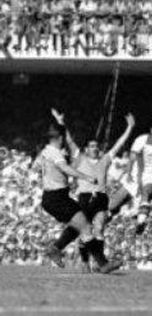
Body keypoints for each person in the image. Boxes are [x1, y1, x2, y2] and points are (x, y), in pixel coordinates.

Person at [35, 111, 120, 274]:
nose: (64, 143)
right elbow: (65, 167)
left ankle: (56, 249)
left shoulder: (46, 150)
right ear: (59, 139)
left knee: (82, 227)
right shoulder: (55, 152)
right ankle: (102, 264)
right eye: (63, 139)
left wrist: (61, 122)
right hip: (57, 198)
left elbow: (67, 142)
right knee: (86, 228)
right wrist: (85, 177)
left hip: (55, 197)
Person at [59, 110, 135, 272]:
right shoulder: (80, 158)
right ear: (86, 149)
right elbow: (69, 140)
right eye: (91, 146)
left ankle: (100, 264)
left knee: (99, 227)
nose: (95, 148)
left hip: (101, 197)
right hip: (85, 197)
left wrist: (130, 127)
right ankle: (85, 261)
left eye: (96, 146)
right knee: (84, 229)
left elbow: (119, 144)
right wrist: (61, 123)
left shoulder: (105, 160)